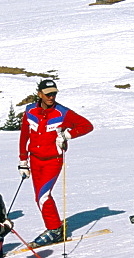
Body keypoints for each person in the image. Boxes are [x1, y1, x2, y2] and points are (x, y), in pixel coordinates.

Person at [19, 78, 94, 246]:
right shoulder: (30, 110)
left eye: (53, 94)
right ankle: (54, 227)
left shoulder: (62, 113)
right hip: (35, 159)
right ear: (39, 94)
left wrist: (67, 135)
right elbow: (24, 135)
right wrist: (23, 160)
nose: (51, 97)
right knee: (39, 198)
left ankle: (54, 231)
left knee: (43, 196)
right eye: (47, 94)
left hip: (53, 160)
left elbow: (87, 126)